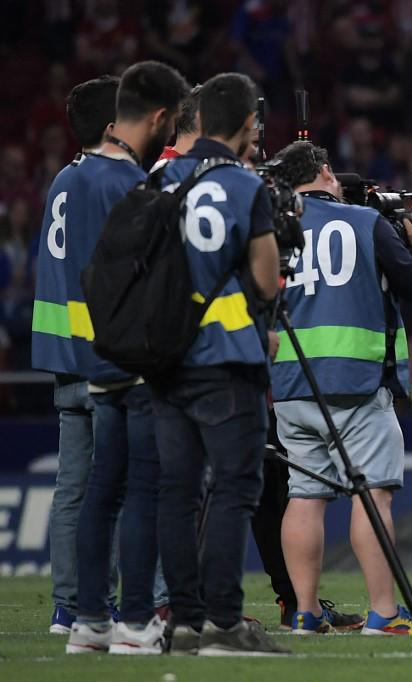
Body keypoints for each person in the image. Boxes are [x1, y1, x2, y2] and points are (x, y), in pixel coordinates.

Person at [269, 141, 412, 635]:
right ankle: (384, 612)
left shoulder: (274, 226)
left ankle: (304, 611)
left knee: (304, 496)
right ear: (324, 171)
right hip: (355, 382)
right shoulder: (366, 223)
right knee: (374, 497)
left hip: (292, 381)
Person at [152, 72, 288, 656]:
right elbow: (264, 279)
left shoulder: (159, 179)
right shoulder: (243, 184)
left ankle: (182, 622)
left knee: (178, 491)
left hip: (165, 357)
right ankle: (225, 624)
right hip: (228, 356)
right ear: (248, 126)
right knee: (234, 489)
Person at [57, 62, 190, 656]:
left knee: (98, 491)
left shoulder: (76, 176)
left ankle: (88, 620)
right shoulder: (125, 186)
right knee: (141, 491)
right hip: (134, 359)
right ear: (158, 118)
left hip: (98, 360)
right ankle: (136, 622)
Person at [32, 74, 120, 636]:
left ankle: (68, 606)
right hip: (103, 353)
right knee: (118, 486)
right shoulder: (106, 181)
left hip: (63, 352)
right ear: (115, 127)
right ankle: (102, 601)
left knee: (72, 488)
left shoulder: (64, 179)